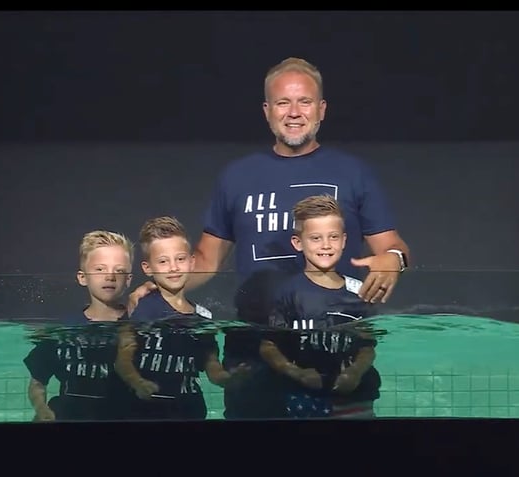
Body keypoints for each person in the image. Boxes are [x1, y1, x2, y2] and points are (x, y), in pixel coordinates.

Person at [129, 57, 410, 419]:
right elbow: (206, 260)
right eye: (283, 102)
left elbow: (393, 245)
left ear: (321, 110)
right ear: (267, 111)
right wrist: (160, 284)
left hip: (333, 355)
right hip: (253, 353)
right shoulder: (237, 177)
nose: (294, 112)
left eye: (304, 102)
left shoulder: (353, 173)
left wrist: (394, 260)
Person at [259, 194, 381, 419]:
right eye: (315, 238)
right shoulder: (287, 294)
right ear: (298, 243)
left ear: (344, 240)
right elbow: (268, 347)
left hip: (355, 399)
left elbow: (367, 346)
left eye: (333, 237)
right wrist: (297, 373)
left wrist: (354, 373)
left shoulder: (359, 292)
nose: (326, 245)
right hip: (303, 398)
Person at [115, 216, 247, 420]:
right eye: (162, 261)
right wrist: (137, 382)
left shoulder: (203, 316)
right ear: (147, 268)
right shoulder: (142, 308)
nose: (173, 267)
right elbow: (123, 360)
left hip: (190, 410)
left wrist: (228, 379)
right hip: (146, 411)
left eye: (180, 259)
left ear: (192, 261)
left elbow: (212, 367)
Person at [23, 230, 135, 422]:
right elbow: (37, 381)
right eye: (100, 269)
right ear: (82, 277)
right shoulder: (64, 330)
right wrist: (42, 410)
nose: (110, 276)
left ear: (129, 280)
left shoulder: (138, 328)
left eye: (119, 270)